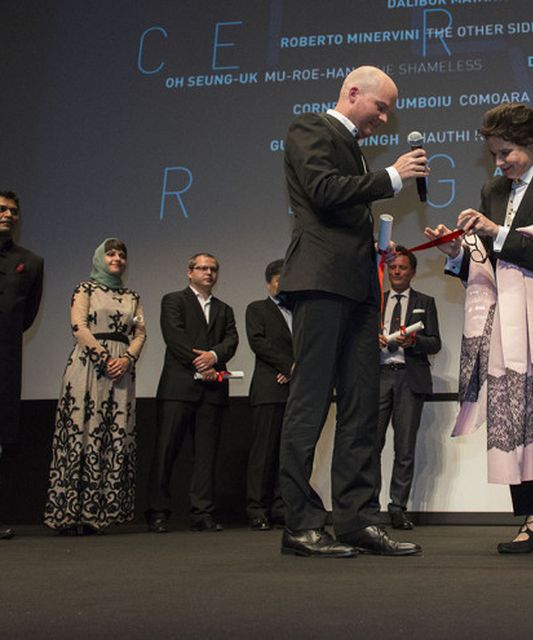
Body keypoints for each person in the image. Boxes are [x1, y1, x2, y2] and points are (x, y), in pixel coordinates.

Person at [425, 103, 533, 560]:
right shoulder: (493, 190)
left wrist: (496, 232)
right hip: (506, 320)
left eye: (506, 154)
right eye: (495, 155)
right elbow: (485, 264)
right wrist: (457, 253)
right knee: (514, 411)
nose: (499, 163)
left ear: (529, 143)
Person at [277, 65, 429, 557]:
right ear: (352, 92)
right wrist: (391, 176)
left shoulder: (358, 154)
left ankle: (355, 519)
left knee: (362, 405)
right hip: (320, 284)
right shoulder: (309, 129)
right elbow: (322, 191)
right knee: (311, 403)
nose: (384, 118)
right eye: (379, 107)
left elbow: (344, 204)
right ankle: (300, 524)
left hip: (361, 288)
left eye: (389, 111)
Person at [43, 238, 145, 534]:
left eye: (121, 254)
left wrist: (126, 359)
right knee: (82, 432)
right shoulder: (84, 289)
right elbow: (79, 327)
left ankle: (101, 513)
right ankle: (70, 514)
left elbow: (140, 333)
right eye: (111, 253)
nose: (117, 258)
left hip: (121, 372)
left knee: (113, 435)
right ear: (100, 257)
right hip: (87, 368)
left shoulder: (132, 297)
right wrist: (103, 358)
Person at [146, 253, 238, 533]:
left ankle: (202, 512)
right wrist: (201, 362)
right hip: (179, 387)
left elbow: (231, 340)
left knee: (206, 455)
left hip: (212, 391)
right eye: (202, 268)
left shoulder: (224, 308)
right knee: (166, 451)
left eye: (213, 269)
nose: (208, 273)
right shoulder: (173, 300)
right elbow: (174, 336)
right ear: (189, 272)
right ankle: (158, 511)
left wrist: (213, 356)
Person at [375, 247, 441, 530]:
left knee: (404, 448)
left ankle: (397, 508)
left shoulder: (425, 301)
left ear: (412, 272)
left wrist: (414, 342)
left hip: (408, 378)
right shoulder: (375, 301)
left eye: (402, 267)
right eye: (393, 268)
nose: (397, 272)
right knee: (370, 446)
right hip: (377, 378)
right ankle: (366, 507)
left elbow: (435, 342)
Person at [0, 190, 43, 540]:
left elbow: (26, 317)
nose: (8, 215)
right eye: (2, 209)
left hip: (5, 362)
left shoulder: (31, 262)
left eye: (14, 210)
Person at [245, 259, 293, 531]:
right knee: (262, 453)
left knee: (286, 454)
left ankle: (280, 506)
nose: (283, 285)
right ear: (269, 283)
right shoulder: (257, 309)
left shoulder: (299, 311)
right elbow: (259, 343)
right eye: (279, 280)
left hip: (295, 392)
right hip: (268, 389)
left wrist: (295, 370)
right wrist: (289, 366)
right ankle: (256, 508)